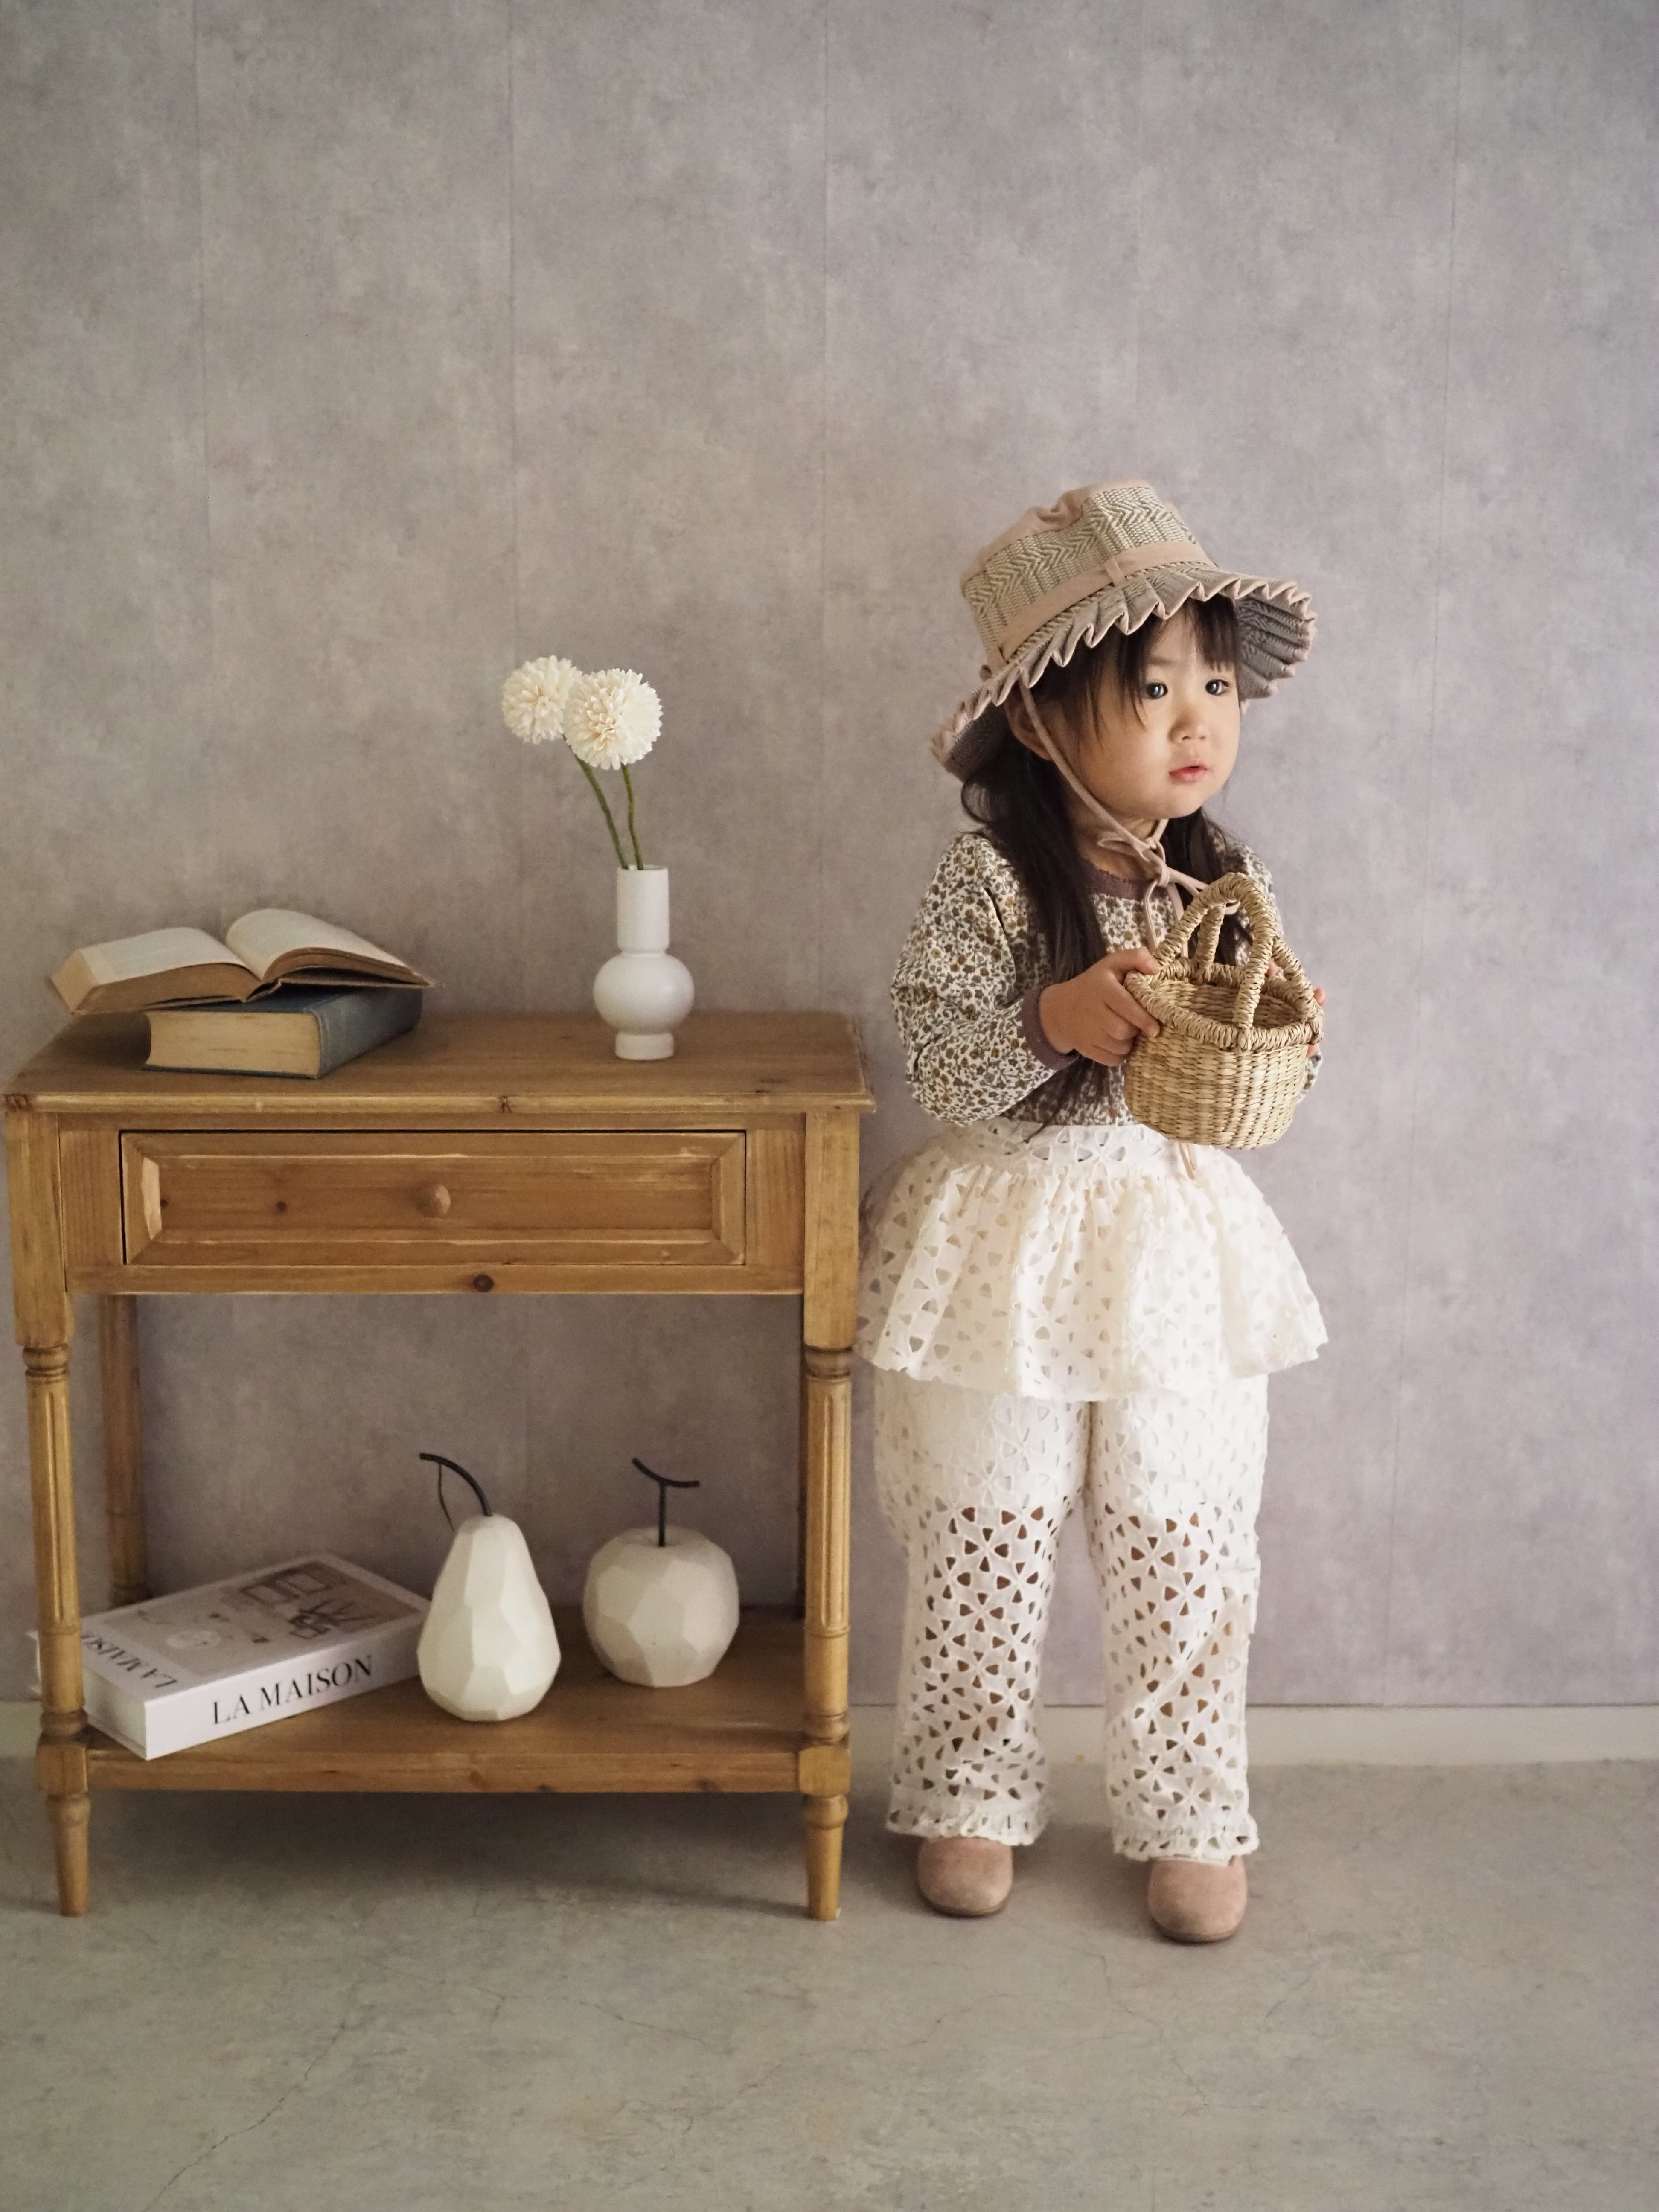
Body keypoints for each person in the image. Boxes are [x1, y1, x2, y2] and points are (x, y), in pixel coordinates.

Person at [856, 480, 1326, 1942]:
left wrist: (1290, 1028)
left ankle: (1187, 1803)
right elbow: (937, 1056)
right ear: (1046, 717)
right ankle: (968, 1786)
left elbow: (1252, 1054)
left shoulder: (1224, 877)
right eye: (1156, 687)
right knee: (984, 1522)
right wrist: (1054, 1018)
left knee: (1184, 1526)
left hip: (1169, 1239)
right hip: (1006, 1234)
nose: (1199, 719)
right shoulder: (993, 877)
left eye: (1216, 687)